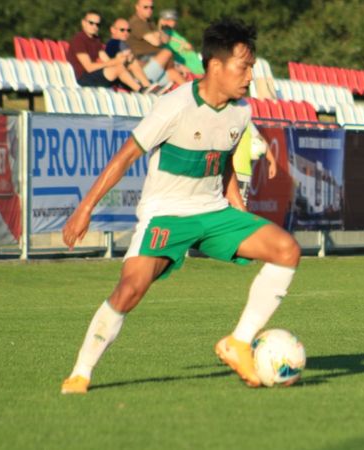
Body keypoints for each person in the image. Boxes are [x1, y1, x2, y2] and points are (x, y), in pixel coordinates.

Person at [60, 18, 300, 394]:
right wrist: (84, 208)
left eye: (252, 66)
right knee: (131, 288)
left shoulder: (241, 111)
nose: (251, 75)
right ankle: (82, 370)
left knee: (286, 249)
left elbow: (221, 166)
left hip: (212, 212)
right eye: (244, 66)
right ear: (216, 66)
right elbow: (124, 157)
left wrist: (236, 207)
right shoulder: (174, 106)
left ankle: (238, 342)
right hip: (166, 213)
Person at [66, 10, 150, 92]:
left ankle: (148, 86)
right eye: (91, 23)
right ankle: (140, 90)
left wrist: (121, 59)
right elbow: (89, 67)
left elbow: (106, 60)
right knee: (118, 68)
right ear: (83, 23)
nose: (94, 26)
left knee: (131, 62)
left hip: (96, 74)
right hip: (84, 78)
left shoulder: (95, 40)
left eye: (97, 24)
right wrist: (116, 61)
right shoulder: (79, 40)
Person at [127, 0, 187, 87]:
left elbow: (165, 40)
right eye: (146, 7)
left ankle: (194, 97)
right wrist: (159, 34)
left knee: (175, 74)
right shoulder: (136, 22)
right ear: (137, 7)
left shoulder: (149, 22)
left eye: (151, 7)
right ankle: (143, 84)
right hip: (144, 64)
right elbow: (156, 41)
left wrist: (157, 33)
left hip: (155, 64)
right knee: (167, 52)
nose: (149, 10)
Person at [104, 18, 157, 92]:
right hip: (119, 79)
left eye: (128, 30)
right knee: (133, 63)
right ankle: (148, 86)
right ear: (113, 30)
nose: (126, 33)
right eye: (122, 30)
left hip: (121, 77)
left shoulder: (114, 44)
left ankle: (147, 85)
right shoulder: (116, 43)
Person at [232, 122, 277, 209]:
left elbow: (261, 140)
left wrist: (272, 161)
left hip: (241, 173)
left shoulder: (245, 120)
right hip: (226, 173)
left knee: (239, 208)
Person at [158, 9, 205, 76]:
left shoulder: (173, 32)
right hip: (186, 63)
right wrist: (160, 26)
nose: (172, 22)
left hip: (192, 61)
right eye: (168, 20)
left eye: (173, 20)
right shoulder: (165, 32)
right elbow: (164, 40)